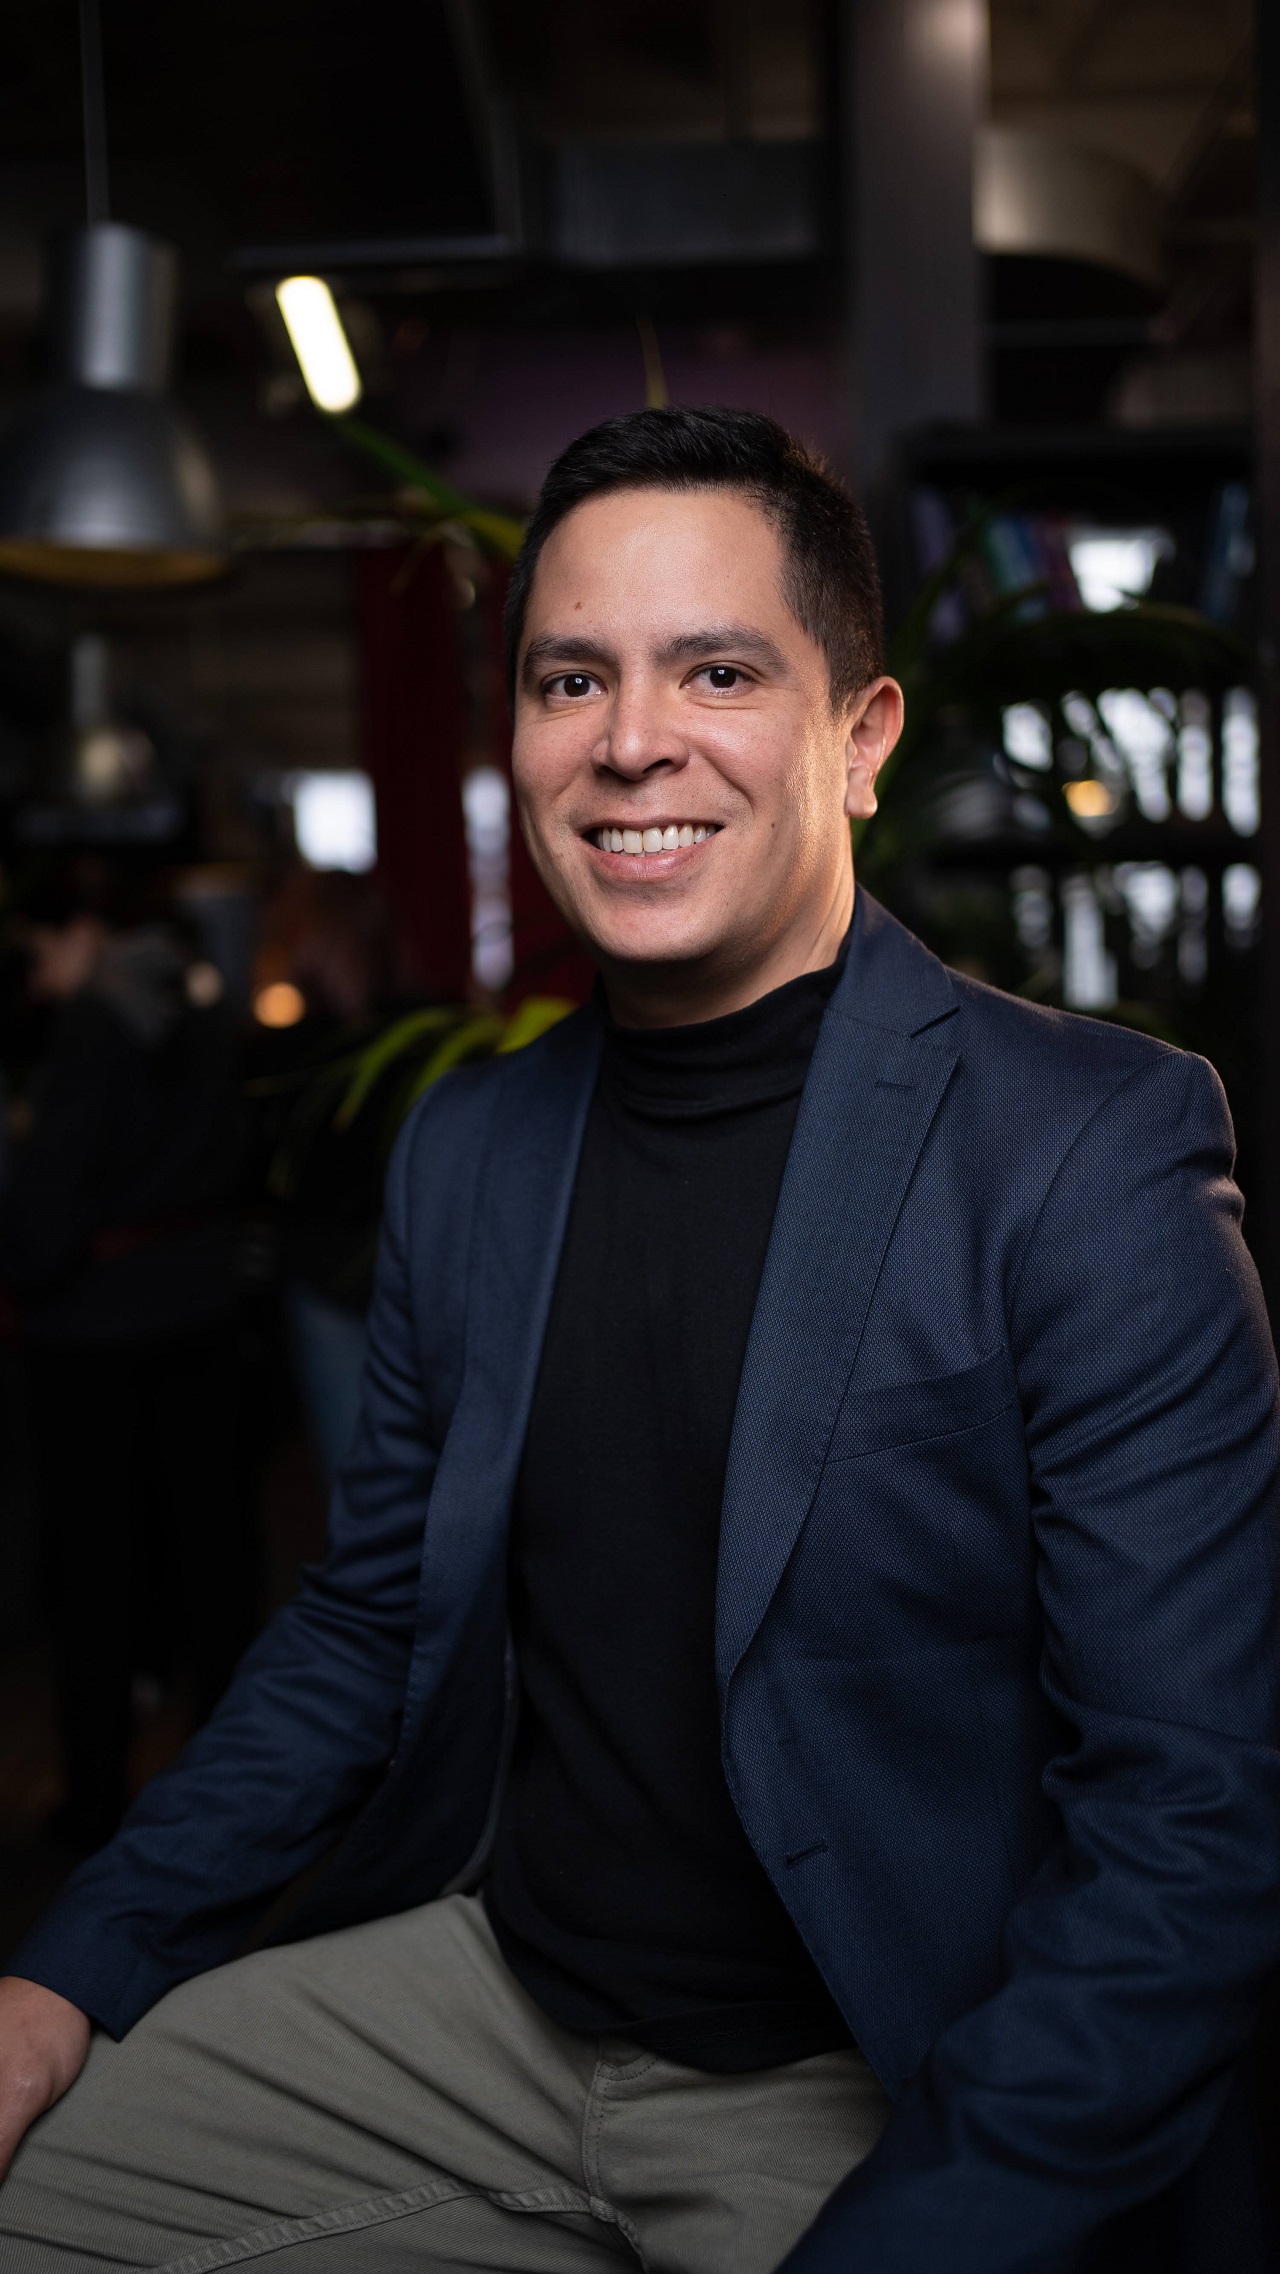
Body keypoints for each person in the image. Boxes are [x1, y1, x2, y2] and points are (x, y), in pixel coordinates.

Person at [0, 407, 1275, 2274]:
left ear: (862, 739)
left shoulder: (1086, 1147)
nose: (629, 740)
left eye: (719, 671)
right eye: (571, 676)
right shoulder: (472, 1143)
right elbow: (367, 1627)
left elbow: (1193, 1822)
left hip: (873, 2059)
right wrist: (63, 1969)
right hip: (496, 2003)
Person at [0, 868, 250, 1853]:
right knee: (213, 1554)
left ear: (81, 932)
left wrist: (26, 1262)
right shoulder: (201, 996)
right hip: (202, 1307)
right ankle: (233, 1786)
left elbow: (50, 1201)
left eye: (39, 952)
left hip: (94, 1333)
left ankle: (95, 1793)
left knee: (97, 1568)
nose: (37, 977)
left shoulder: (94, 1021)